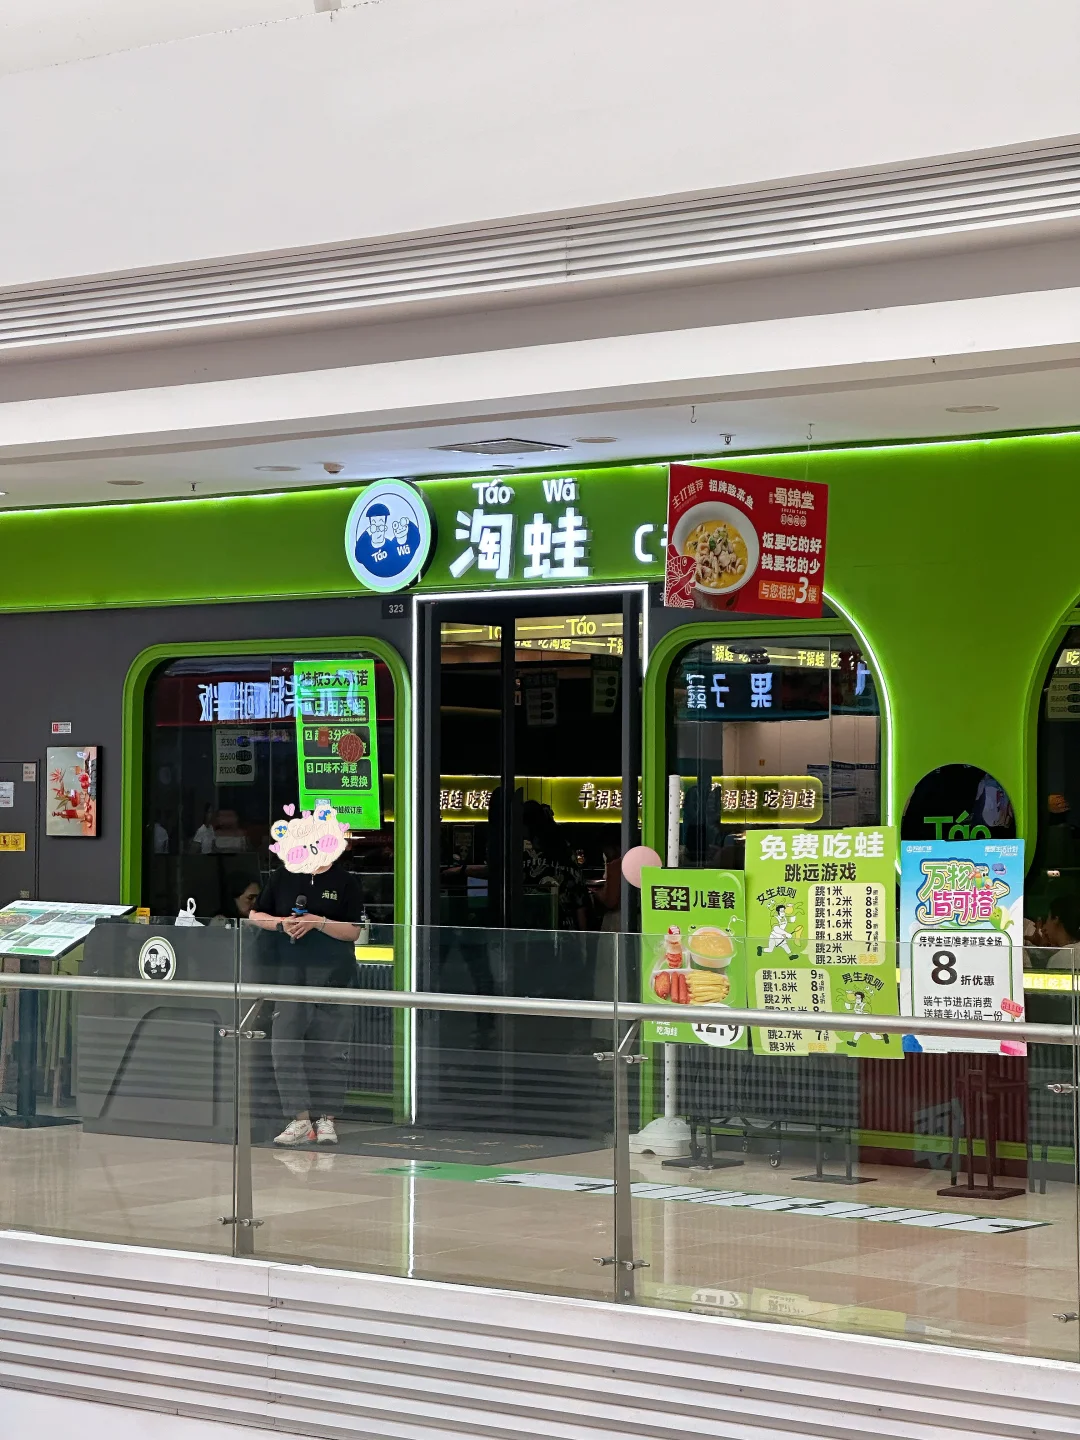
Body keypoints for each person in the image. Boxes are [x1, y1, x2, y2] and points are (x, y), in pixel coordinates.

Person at [247, 851, 366, 1146]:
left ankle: (326, 1120)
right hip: (289, 976)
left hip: (334, 977)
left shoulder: (345, 881)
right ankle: (299, 1120)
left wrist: (318, 922)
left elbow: (353, 931)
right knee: (285, 1048)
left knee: (331, 1052)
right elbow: (255, 915)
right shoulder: (282, 876)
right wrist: (280, 923)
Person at [522, 799, 589, 931]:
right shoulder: (565, 851)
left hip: (529, 929)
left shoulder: (520, 855)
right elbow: (579, 898)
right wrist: (584, 938)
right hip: (565, 929)